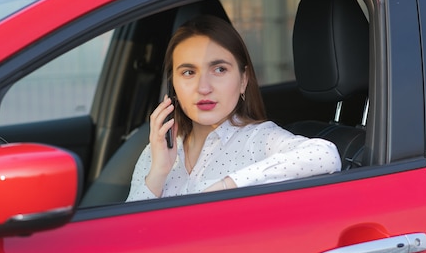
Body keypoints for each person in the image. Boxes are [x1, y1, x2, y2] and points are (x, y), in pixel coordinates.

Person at [126, 15, 341, 201]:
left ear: (243, 80)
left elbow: (324, 155)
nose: (203, 87)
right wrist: (158, 173)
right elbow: (126, 236)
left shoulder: (256, 138)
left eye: (219, 69)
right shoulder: (159, 150)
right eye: (189, 73)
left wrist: (226, 187)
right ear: (173, 84)